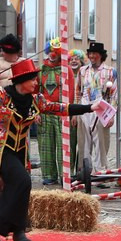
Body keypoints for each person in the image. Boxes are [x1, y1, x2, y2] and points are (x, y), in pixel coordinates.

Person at [0, 59, 93, 241]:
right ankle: (2, 228)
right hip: (1, 151)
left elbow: (60, 108)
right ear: (21, 81)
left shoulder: (36, 100)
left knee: (22, 187)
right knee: (22, 181)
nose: (36, 82)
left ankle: (14, 231)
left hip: (20, 152)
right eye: (33, 79)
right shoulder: (2, 96)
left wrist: (89, 108)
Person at [37, 38, 77, 185]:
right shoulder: (41, 71)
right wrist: (36, 112)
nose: (53, 54)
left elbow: (72, 92)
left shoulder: (67, 70)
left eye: (56, 52)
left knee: (65, 145)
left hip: (62, 112)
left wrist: (71, 112)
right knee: (45, 145)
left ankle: (65, 174)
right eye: (51, 51)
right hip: (45, 112)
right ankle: (48, 174)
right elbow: (36, 92)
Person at [79, 42, 117, 171]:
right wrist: (75, 112)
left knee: (101, 141)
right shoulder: (83, 70)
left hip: (102, 108)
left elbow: (114, 95)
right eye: (90, 53)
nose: (92, 56)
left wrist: (111, 116)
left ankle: (100, 171)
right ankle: (84, 171)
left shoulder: (110, 71)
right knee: (84, 142)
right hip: (85, 107)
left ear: (101, 55)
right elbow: (78, 91)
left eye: (94, 53)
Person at [68, 48, 86, 170]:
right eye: (71, 59)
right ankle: (69, 171)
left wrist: (76, 114)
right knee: (70, 144)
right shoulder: (66, 75)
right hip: (68, 112)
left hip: (81, 112)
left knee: (82, 143)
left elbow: (81, 95)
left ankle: (80, 169)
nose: (74, 61)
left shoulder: (84, 75)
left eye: (76, 59)